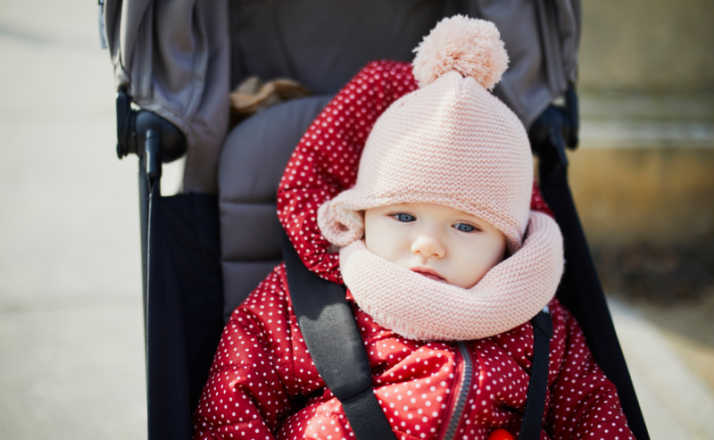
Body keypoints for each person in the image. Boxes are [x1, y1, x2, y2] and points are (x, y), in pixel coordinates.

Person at [193, 16, 634, 440]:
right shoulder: (306, 300)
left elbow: (591, 412)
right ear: (362, 217)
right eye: (403, 217)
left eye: (465, 226)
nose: (428, 245)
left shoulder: (536, 319)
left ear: (508, 246)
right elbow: (236, 400)